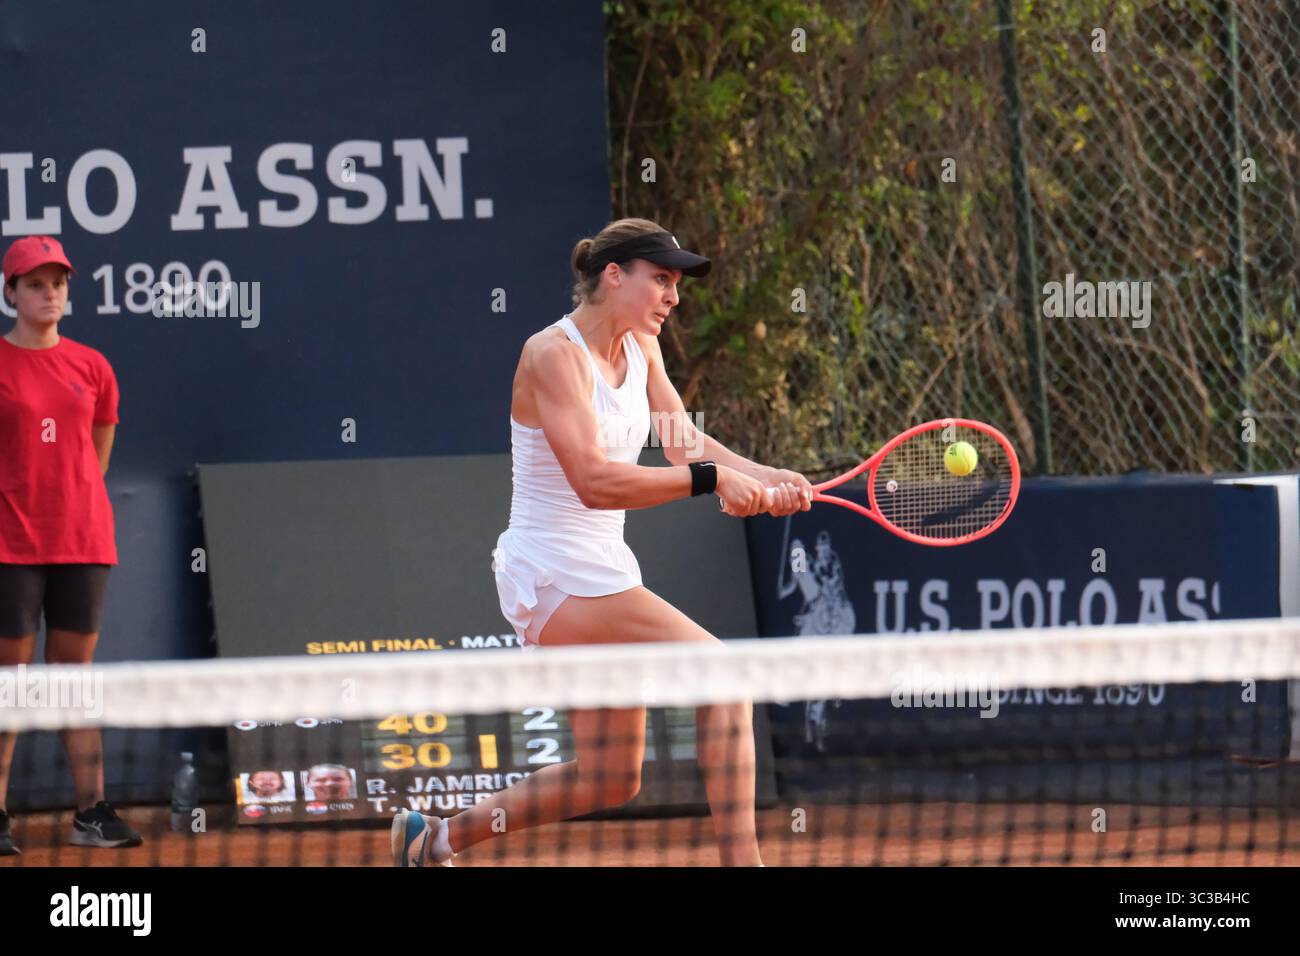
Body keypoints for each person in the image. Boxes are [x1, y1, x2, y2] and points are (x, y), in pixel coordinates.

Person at [392, 218, 813, 867]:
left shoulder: (644, 346)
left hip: (604, 567)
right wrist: (712, 482)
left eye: (677, 283)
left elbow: (683, 440)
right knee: (723, 674)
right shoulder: (551, 354)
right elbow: (591, 480)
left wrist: (762, 475)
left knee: (610, 778)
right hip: (551, 570)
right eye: (662, 279)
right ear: (613, 276)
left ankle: (434, 839)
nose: (673, 296)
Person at [0, 236, 142, 854]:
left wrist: (72, 494)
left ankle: (91, 814)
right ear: (10, 293)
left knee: (72, 679)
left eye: (57, 282)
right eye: (35, 283)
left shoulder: (94, 366)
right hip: (9, 543)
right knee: (10, 680)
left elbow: (97, 446)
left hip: (83, 540)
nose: (50, 292)